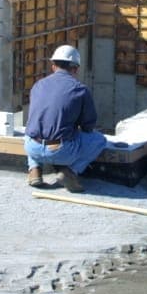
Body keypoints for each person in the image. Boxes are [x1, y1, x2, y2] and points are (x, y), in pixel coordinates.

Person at [24, 45, 108, 192]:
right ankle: (70, 172)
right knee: (99, 140)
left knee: (30, 131)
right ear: (75, 68)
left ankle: (34, 169)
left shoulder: (38, 85)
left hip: (33, 148)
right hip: (61, 152)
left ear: (53, 66)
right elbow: (88, 126)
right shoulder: (80, 90)